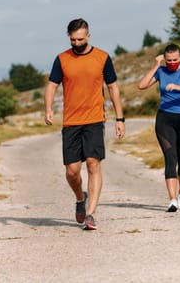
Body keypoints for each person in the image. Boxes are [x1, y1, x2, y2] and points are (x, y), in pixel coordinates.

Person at [44, 18, 125, 230]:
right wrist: (48, 108)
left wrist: (120, 118)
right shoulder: (62, 59)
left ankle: (90, 214)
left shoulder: (102, 57)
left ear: (88, 35)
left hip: (95, 119)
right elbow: (52, 85)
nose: (77, 43)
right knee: (72, 170)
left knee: (93, 163)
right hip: (71, 121)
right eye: (73, 40)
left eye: (80, 39)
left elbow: (113, 87)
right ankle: (80, 198)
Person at [138, 43, 180, 212]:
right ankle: (172, 199)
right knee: (170, 157)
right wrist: (156, 65)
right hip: (165, 119)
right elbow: (142, 85)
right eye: (169, 60)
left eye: (175, 59)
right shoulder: (161, 71)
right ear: (165, 59)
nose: (172, 62)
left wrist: (179, 87)